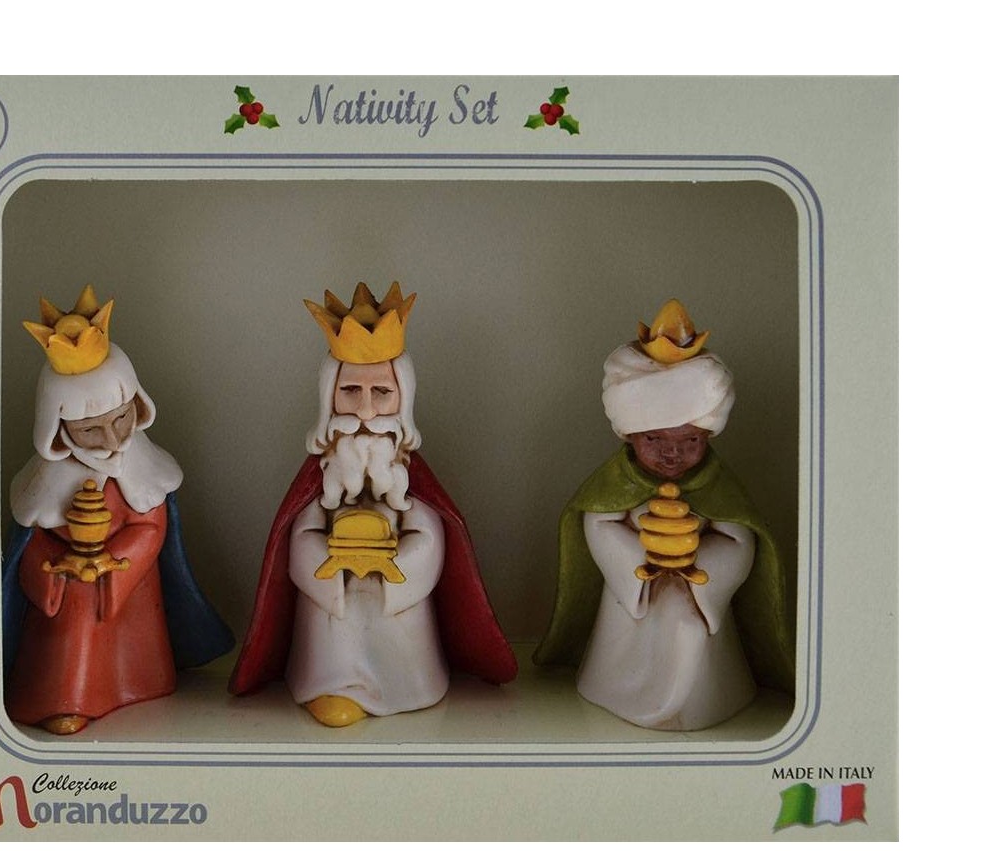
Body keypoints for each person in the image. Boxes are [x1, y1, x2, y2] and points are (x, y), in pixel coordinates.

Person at [228, 281, 517, 726]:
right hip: (336, 597)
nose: (365, 412)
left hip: (395, 596)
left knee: (400, 639)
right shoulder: (323, 471)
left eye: (381, 393)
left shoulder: (408, 472)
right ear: (330, 395)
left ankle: (409, 686)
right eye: (350, 391)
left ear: (403, 397)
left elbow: (432, 535)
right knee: (337, 635)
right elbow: (298, 536)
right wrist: (333, 562)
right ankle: (334, 687)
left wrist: (395, 563)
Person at [533, 299, 791, 730]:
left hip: (695, 589)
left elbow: (740, 539)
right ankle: (622, 691)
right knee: (640, 628)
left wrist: (697, 565)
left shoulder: (717, 485)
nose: (672, 453)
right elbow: (597, 521)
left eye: (690, 441)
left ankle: (699, 701)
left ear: (707, 436)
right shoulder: (614, 485)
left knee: (691, 628)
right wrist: (642, 563)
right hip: (635, 593)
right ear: (631, 434)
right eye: (654, 439)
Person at [3, 285, 232, 734]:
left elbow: (151, 525)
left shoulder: (141, 463)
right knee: (74, 622)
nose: (112, 441)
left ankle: (141, 682)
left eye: (122, 419)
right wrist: (57, 568)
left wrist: (115, 562)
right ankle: (65, 698)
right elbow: (30, 541)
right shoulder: (45, 482)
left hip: (126, 581)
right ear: (58, 429)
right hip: (70, 584)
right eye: (91, 430)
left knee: (132, 643)